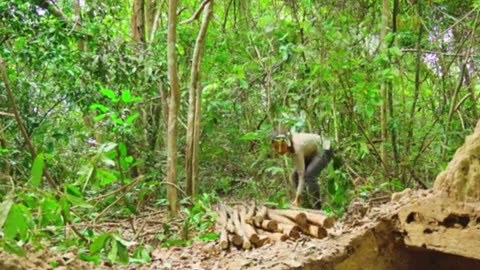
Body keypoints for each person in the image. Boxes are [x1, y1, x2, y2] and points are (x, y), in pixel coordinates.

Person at [271, 131, 333, 209]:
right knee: (294, 176)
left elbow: (302, 175)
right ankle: (305, 206)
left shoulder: (297, 146)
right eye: (276, 147)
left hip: (326, 146)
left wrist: (297, 198)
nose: (279, 150)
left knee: (309, 175)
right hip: (312, 152)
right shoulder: (291, 147)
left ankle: (317, 208)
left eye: (282, 146)